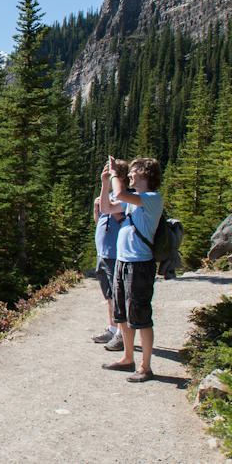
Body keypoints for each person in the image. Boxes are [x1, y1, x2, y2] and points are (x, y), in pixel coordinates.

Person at [99, 157, 163, 383]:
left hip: (140, 264)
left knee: (141, 316)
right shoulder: (133, 201)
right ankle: (128, 358)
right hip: (123, 261)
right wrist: (106, 181)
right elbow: (106, 207)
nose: (130, 176)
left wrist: (116, 175)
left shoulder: (152, 199)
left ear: (145, 174)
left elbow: (121, 195)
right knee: (122, 313)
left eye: (134, 172)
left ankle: (146, 367)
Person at [91, 160, 129, 351]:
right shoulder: (109, 197)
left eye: (110, 173)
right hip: (103, 253)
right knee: (109, 295)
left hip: (116, 254)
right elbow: (100, 220)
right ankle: (112, 328)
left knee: (118, 295)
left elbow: (120, 219)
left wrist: (105, 194)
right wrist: (97, 207)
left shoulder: (126, 198)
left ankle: (122, 334)